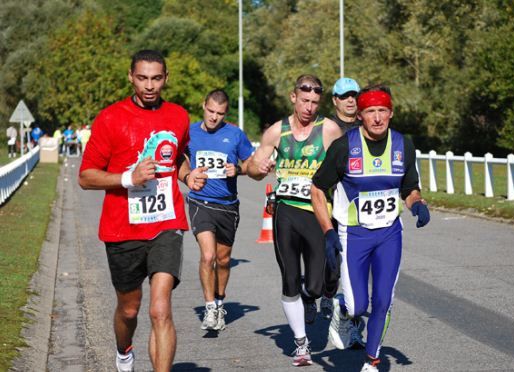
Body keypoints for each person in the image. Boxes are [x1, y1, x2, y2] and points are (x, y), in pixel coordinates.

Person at [78, 49, 207, 372]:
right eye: (142, 78)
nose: (150, 86)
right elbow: (85, 176)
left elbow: (175, 156)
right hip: (122, 227)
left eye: (156, 78)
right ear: (130, 77)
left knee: (160, 309)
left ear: (166, 78)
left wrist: (187, 175)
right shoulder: (110, 118)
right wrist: (128, 177)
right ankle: (124, 351)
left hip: (166, 223)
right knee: (130, 310)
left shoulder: (177, 116)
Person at [311, 84, 431, 372]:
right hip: (354, 235)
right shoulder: (344, 147)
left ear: (390, 113)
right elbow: (317, 189)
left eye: (382, 111)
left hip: (390, 234)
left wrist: (417, 204)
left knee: (383, 300)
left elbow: (410, 188)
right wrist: (328, 231)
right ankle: (342, 308)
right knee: (357, 306)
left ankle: (371, 361)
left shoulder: (404, 145)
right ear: (361, 116)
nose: (377, 118)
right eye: (370, 112)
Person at [248, 74, 342, 366]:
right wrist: (258, 168)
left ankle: (310, 296)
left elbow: (346, 165)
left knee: (314, 286)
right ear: (293, 98)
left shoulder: (329, 129)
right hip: (286, 211)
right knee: (289, 277)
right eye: (304, 101)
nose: (309, 107)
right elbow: (253, 168)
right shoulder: (277, 132)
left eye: (315, 102)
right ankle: (301, 345)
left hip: (317, 212)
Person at [185, 89, 255, 331]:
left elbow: (250, 164)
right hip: (199, 202)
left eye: (220, 114)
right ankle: (210, 308)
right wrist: (187, 175)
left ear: (226, 114)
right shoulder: (190, 132)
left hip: (227, 206)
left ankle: (220, 300)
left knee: (223, 260)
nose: (214, 117)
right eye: (211, 111)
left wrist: (238, 169)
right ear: (203, 105)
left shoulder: (235, 135)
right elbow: (179, 159)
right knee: (208, 256)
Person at [320, 77, 363, 320]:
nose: (350, 100)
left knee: (353, 262)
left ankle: (350, 311)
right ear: (335, 100)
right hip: (330, 202)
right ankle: (327, 293)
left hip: (358, 207)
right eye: (345, 96)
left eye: (354, 95)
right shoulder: (326, 127)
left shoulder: (365, 125)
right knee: (331, 261)